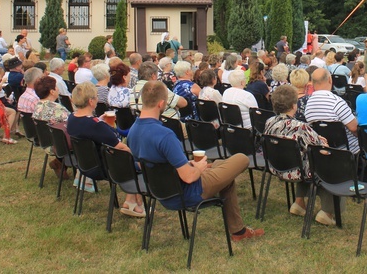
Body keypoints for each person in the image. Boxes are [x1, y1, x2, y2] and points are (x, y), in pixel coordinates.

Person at [128, 80, 264, 240]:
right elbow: (189, 177)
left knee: (223, 170)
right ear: (161, 104)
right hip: (187, 192)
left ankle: (239, 232)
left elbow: (143, 164)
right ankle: (238, 231)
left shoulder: (133, 131)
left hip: (160, 191)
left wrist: (189, 165)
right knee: (241, 158)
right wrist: (198, 168)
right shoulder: (165, 135)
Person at [265, 84, 340, 225]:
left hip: (276, 167)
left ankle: (299, 203)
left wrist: (317, 140)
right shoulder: (300, 127)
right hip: (297, 171)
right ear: (294, 106)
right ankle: (327, 212)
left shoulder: (269, 122)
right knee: (328, 162)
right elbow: (321, 150)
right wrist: (321, 141)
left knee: (304, 158)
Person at [67, 83, 145, 216]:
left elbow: (90, 130)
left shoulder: (72, 118)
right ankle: (133, 201)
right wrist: (136, 157)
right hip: (104, 168)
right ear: (91, 101)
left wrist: (99, 121)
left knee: (128, 158)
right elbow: (120, 146)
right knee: (136, 160)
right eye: (97, 97)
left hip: (85, 165)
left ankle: (132, 201)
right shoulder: (95, 125)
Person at [304, 68, 359, 154]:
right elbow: (355, 129)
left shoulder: (308, 105)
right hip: (348, 150)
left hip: (322, 149)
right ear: (330, 80)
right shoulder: (337, 102)